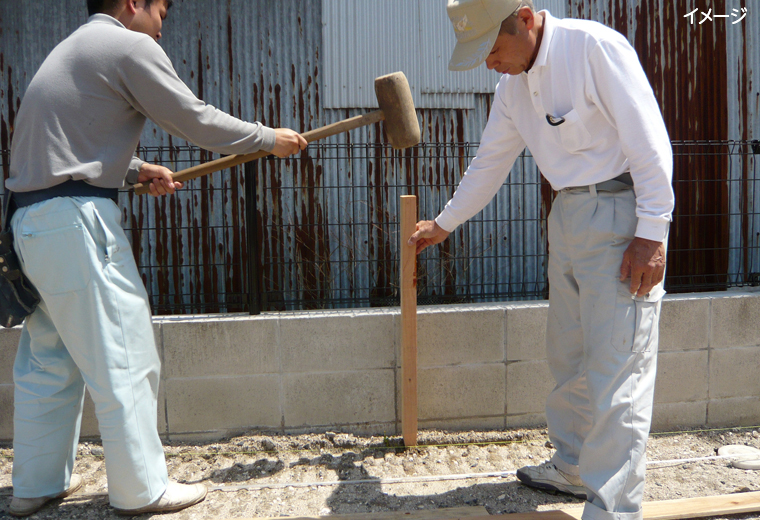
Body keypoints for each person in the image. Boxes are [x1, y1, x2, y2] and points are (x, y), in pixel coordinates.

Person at [5, 0, 306, 516]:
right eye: (161, 10)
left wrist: (133, 170)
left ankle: (34, 486)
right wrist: (266, 139)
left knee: (50, 358)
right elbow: (191, 116)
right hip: (78, 222)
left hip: (31, 221)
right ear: (132, 4)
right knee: (124, 350)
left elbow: (63, 147)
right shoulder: (127, 44)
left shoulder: (75, 47)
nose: (163, 24)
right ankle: (141, 489)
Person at [409, 1, 674, 519]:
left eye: (491, 47)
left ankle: (614, 509)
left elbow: (650, 143)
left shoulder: (593, 48)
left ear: (525, 19)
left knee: (618, 367)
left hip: (622, 219)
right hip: (569, 216)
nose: (488, 62)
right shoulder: (513, 90)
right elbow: (490, 162)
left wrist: (652, 232)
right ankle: (573, 466)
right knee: (569, 355)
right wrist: (443, 224)